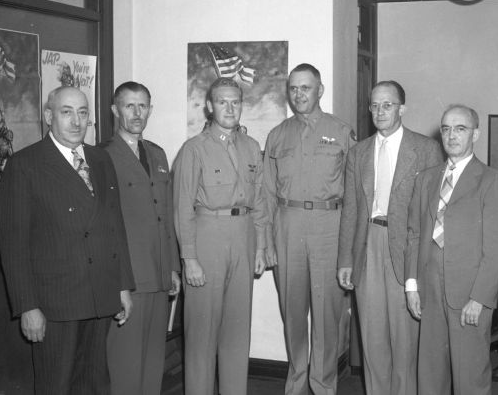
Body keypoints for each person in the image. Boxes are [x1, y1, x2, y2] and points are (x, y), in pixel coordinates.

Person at [0, 86, 135, 395]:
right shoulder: (25, 165)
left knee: (95, 383)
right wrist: (27, 307)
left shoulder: (100, 159)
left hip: (100, 292)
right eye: (66, 112)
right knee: (56, 385)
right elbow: (13, 247)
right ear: (49, 116)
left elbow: (115, 226)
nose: (76, 121)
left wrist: (123, 285)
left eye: (83, 113)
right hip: (55, 301)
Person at [337, 80, 443, 395]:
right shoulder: (358, 153)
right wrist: (345, 259)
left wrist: (427, 265)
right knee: (372, 340)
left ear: (402, 109)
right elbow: (351, 209)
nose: (380, 111)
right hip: (367, 246)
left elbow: (433, 213)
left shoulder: (425, 149)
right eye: (375, 105)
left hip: (406, 249)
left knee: (406, 340)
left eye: (388, 105)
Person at [406, 104, 498, 395]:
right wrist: (412, 286)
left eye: (460, 128)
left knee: (469, 377)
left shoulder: (491, 180)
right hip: (429, 291)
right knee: (430, 374)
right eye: (446, 128)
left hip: (469, 296)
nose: (451, 135)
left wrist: (479, 298)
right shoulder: (426, 178)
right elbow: (415, 235)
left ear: (475, 134)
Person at [263, 63, 355, 395]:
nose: (299, 94)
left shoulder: (342, 133)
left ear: (320, 90)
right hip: (287, 228)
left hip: (329, 228)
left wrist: (348, 249)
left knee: (327, 315)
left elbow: (355, 196)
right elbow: (267, 194)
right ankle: (297, 381)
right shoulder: (277, 135)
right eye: (294, 88)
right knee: (292, 311)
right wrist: (267, 243)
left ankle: (324, 385)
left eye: (306, 88)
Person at [173, 77, 267, 395]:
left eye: (235, 102)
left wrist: (260, 248)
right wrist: (189, 259)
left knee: (237, 333)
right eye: (222, 102)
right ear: (210, 107)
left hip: (243, 238)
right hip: (207, 239)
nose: (230, 108)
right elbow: (182, 208)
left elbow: (260, 205)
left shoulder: (252, 147)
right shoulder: (193, 150)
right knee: (201, 334)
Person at [103, 81, 181, 395]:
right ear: (115, 110)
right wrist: (116, 282)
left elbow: (167, 215)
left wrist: (173, 268)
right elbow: (105, 226)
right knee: (125, 366)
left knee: (152, 364)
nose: (137, 113)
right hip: (129, 278)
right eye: (129, 105)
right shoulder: (102, 157)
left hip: (159, 274)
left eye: (143, 106)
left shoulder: (158, 154)